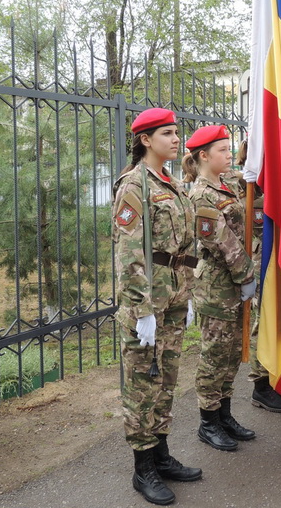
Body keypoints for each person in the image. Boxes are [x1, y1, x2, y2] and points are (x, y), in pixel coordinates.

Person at [112, 107, 201, 505]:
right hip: (147, 301)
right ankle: (142, 467)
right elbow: (129, 255)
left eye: (176, 132)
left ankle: (161, 455)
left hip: (175, 295)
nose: (176, 139)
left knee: (166, 378)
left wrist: (189, 293)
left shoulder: (174, 183)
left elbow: (185, 247)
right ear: (145, 140)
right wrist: (142, 308)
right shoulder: (135, 186)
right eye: (167, 133)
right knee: (142, 385)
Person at [183, 125, 258, 453]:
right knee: (214, 355)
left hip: (234, 282)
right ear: (204, 156)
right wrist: (246, 276)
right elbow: (222, 242)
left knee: (230, 354)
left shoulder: (226, 182)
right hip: (216, 285)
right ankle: (208, 422)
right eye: (223, 151)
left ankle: (225, 414)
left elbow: (252, 179)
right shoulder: (202, 194)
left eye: (230, 150)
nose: (229, 155)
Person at [234, 141, 281, 412]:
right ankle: (261, 384)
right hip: (258, 266)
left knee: (278, 317)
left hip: (275, 262)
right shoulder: (241, 185)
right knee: (262, 321)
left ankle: (277, 375)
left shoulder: (274, 183)